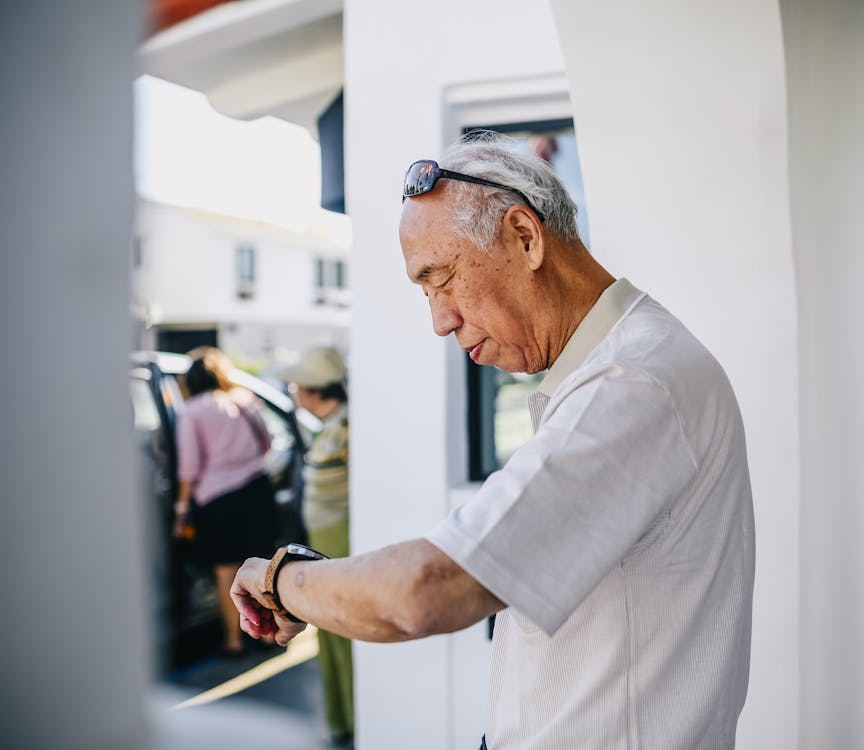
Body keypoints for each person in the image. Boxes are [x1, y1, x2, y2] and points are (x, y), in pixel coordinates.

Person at [231, 134, 755, 748]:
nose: (439, 320)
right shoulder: (622, 370)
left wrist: (280, 579)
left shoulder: (632, 384)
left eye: (441, 278)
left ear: (525, 237)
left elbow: (426, 591)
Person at [174, 346, 276, 656]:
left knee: (226, 572)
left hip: (219, 500)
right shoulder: (245, 400)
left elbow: (189, 468)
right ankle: (270, 636)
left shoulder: (192, 411)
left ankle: (233, 641)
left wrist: (181, 511)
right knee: (264, 567)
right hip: (257, 490)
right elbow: (267, 443)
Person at [276, 346, 354, 748]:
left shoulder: (348, 429)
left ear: (312, 389)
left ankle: (355, 722)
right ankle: (341, 722)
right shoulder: (329, 428)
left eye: (296, 385)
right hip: (325, 547)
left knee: (344, 631)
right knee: (328, 632)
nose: (293, 392)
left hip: (341, 549)